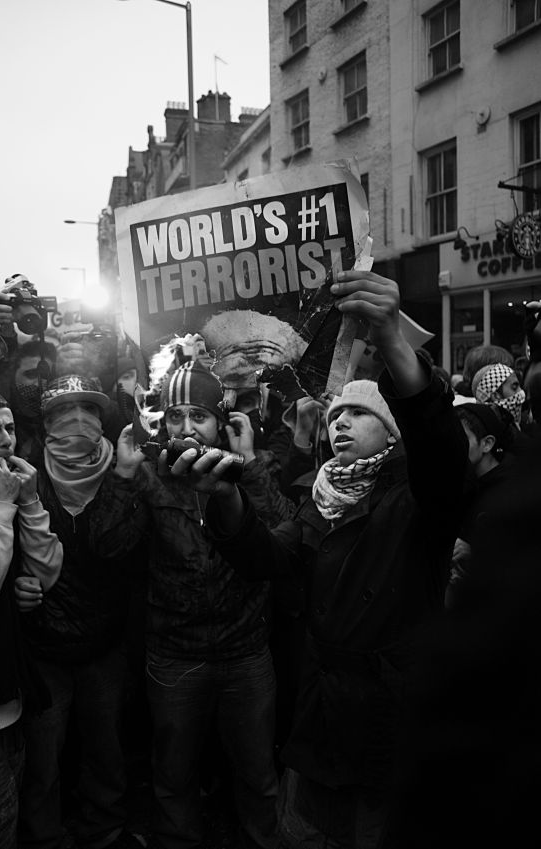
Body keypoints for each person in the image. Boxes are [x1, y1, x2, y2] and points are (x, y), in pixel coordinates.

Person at [165, 270, 469, 848]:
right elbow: (267, 558)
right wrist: (227, 498)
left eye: (358, 416)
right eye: (334, 418)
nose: (339, 425)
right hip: (322, 712)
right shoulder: (322, 497)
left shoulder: (419, 498)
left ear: (392, 433)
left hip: (393, 713)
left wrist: (393, 342)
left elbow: (441, 445)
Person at [90, 359, 289, 849]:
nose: (185, 427)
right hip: (176, 656)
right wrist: (121, 474)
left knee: (258, 775)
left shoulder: (244, 468)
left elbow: (284, 542)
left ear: (219, 421)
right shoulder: (151, 478)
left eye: (198, 416)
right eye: (175, 416)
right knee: (173, 780)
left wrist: (252, 464)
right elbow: (108, 548)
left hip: (245, 653)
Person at [17, 375, 142, 849]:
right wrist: (16, 585)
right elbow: (3, 541)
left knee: (106, 748)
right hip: (45, 643)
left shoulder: (123, 467)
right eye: (64, 413)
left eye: (88, 411)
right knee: (43, 758)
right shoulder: (25, 469)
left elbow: (123, 550)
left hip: (105, 640)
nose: (77, 421)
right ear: (45, 422)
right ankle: (44, 837)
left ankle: (104, 831)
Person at [0, 382, 62, 849]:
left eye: (9, 427)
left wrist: (27, 503)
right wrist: (4, 505)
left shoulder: (0, 498)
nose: (8, 439)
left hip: (10, 704)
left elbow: (47, 571)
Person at [446, 403, 515, 610]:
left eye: (461, 440)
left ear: (487, 444)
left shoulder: (513, 491)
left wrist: (474, 552)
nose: (452, 447)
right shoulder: (462, 482)